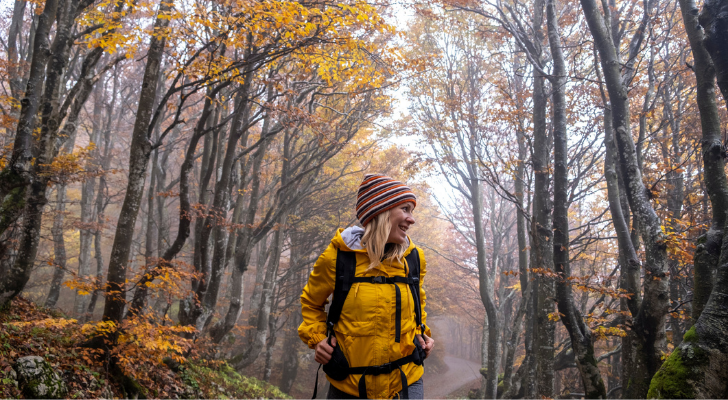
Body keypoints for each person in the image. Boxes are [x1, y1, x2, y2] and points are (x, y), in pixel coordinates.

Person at [299, 174, 435, 399]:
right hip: (349, 385)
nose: (412, 219)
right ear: (381, 212)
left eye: (412, 211)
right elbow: (311, 304)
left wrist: (424, 335)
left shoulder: (414, 259)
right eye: (405, 209)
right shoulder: (338, 257)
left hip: (406, 383)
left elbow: (417, 307)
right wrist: (318, 339)